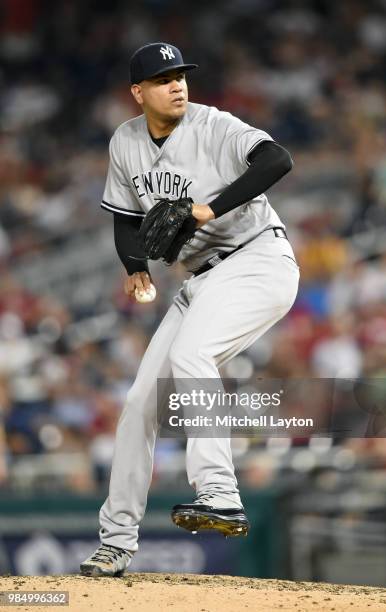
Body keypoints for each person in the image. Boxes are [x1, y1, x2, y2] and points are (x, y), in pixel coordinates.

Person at [80, 42, 299, 577]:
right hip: (199, 281)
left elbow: (277, 159)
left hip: (257, 259)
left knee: (192, 354)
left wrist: (208, 207)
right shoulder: (126, 141)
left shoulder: (214, 125)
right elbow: (124, 217)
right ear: (138, 93)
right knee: (138, 404)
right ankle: (116, 540)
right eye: (162, 79)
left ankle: (220, 493)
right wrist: (135, 268)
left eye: (180, 75)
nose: (176, 84)